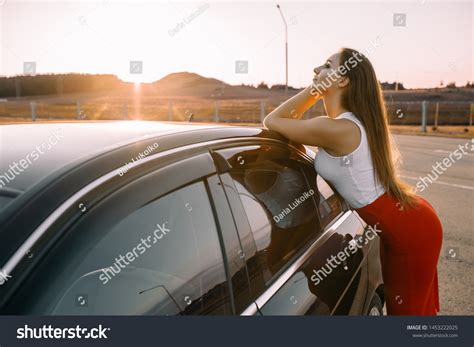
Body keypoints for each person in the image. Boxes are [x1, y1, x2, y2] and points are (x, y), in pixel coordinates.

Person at [263, 47, 442, 315]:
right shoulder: (347, 124)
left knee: (408, 315)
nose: (316, 70)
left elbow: (272, 121)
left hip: (411, 230)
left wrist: (314, 90)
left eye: (326, 66)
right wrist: (320, 84)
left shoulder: (339, 129)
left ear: (344, 79)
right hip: (406, 223)